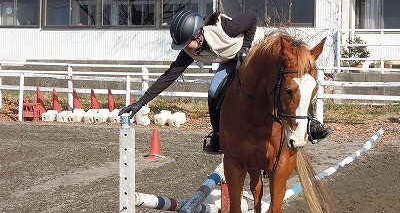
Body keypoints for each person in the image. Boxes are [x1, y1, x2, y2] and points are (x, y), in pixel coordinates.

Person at [119, 10, 332, 154]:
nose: (186, 49)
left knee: (290, 84)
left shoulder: (224, 29)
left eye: (187, 43)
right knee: (213, 91)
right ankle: (218, 135)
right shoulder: (190, 50)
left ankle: (311, 123)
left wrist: (246, 48)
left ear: (199, 35)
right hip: (232, 59)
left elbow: (251, 17)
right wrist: (140, 103)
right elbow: (168, 76)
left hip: (257, 47)